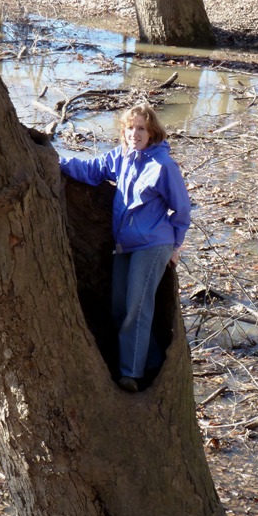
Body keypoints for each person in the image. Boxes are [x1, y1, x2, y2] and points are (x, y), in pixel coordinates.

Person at [59, 103, 191, 393]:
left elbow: (181, 209)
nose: (135, 133)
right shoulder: (121, 157)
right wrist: (53, 160)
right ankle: (153, 362)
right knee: (120, 307)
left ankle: (131, 375)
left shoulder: (163, 165)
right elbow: (91, 170)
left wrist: (176, 245)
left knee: (137, 308)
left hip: (153, 244)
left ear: (152, 131)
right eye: (130, 128)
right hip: (124, 245)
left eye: (141, 128)